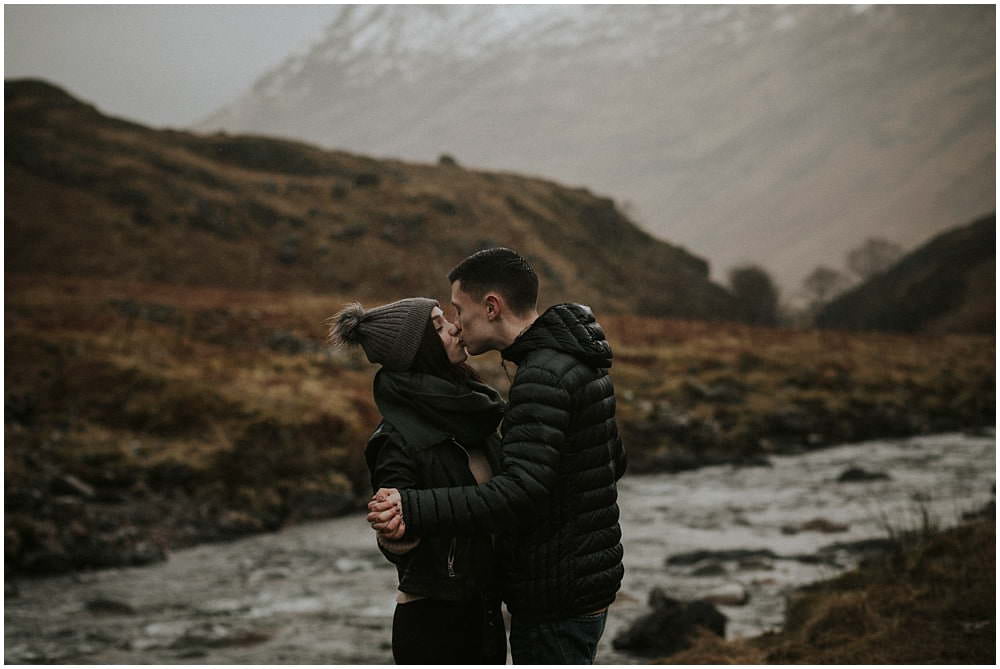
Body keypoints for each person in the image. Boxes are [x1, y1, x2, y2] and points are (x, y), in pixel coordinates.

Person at [367, 248, 627, 664]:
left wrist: (413, 508)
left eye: (457, 310)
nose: (456, 324)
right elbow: (613, 460)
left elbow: (520, 489)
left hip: (552, 590)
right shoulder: (568, 359)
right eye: (443, 322)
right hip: (484, 606)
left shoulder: (534, 378)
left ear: (491, 307)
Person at [328, 297, 508, 665]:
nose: (455, 328)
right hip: (435, 622)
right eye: (439, 327)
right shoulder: (396, 437)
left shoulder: (470, 409)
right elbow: (394, 521)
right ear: (420, 351)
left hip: (486, 608)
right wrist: (396, 536)